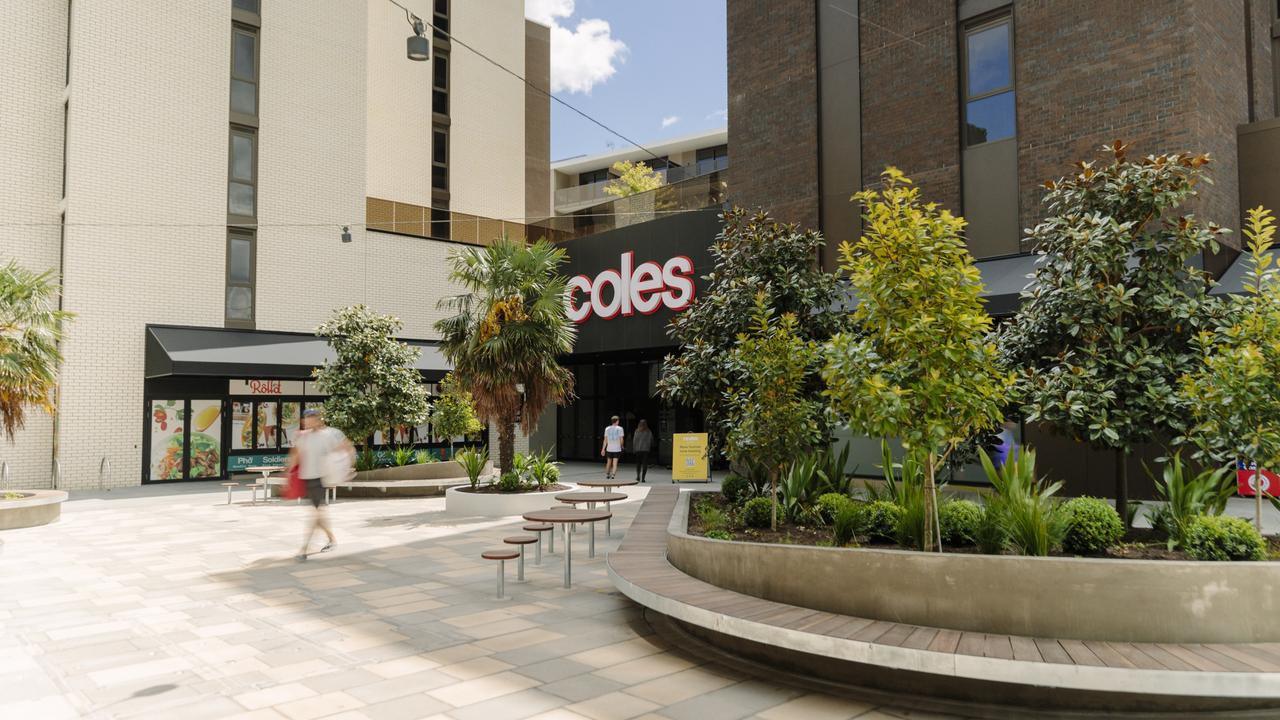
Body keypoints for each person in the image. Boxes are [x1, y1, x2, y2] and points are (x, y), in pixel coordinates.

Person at [288, 408, 354, 562]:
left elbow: (347, 449)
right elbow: (295, 456)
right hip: (307, 479)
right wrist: (288, 477)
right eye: (305, 418)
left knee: (316, 513)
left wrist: (345, 470)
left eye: (310, 418)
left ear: (318, 419)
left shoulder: (331, 434)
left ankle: (304, 549)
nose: (306, 421)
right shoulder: (302, 437)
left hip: (320, 479)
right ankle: (332, 539)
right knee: (320, 513)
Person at [601, 415, 625, 479]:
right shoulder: (620, 428)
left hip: (609, 448)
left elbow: (605, 440)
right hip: (617, 449)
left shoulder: (607, 428)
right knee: (615, 463)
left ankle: (607, 474)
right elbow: (621, 439)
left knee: (608, 462)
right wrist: (622, 446)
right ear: (617, 421)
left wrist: (603, 449)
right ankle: (613, 475)